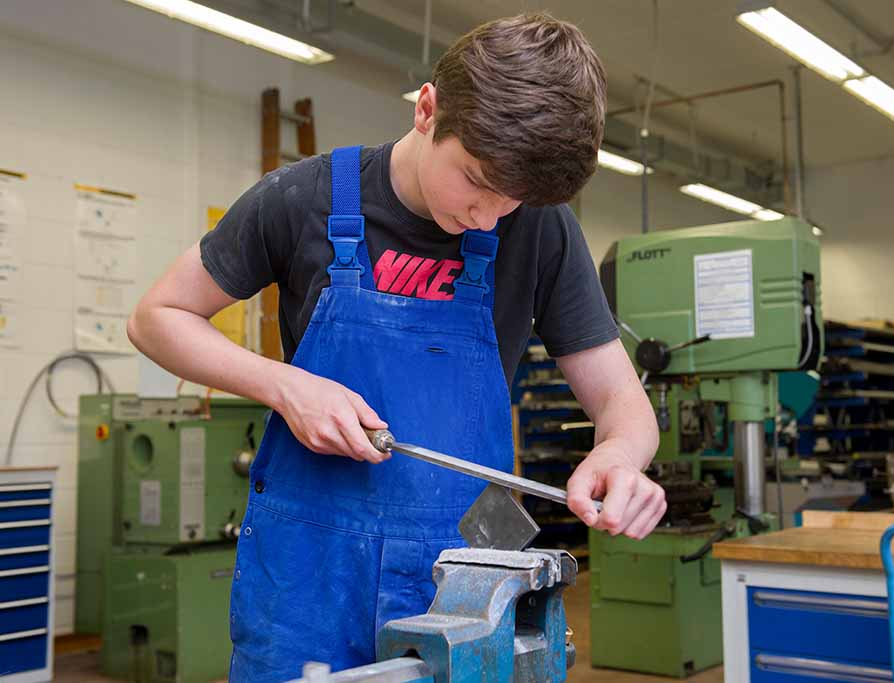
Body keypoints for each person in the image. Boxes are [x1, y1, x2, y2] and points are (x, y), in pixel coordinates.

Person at [127, 12, 665, 682]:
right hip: (310, 573)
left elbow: (623, 402)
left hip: (468, 568)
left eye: (512, 199)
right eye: (474, 179)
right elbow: (156, 316)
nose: (489, 215)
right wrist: (284, 385)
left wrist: (620, 455)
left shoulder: (541, 230)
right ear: (427, 109)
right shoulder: (303, 199)